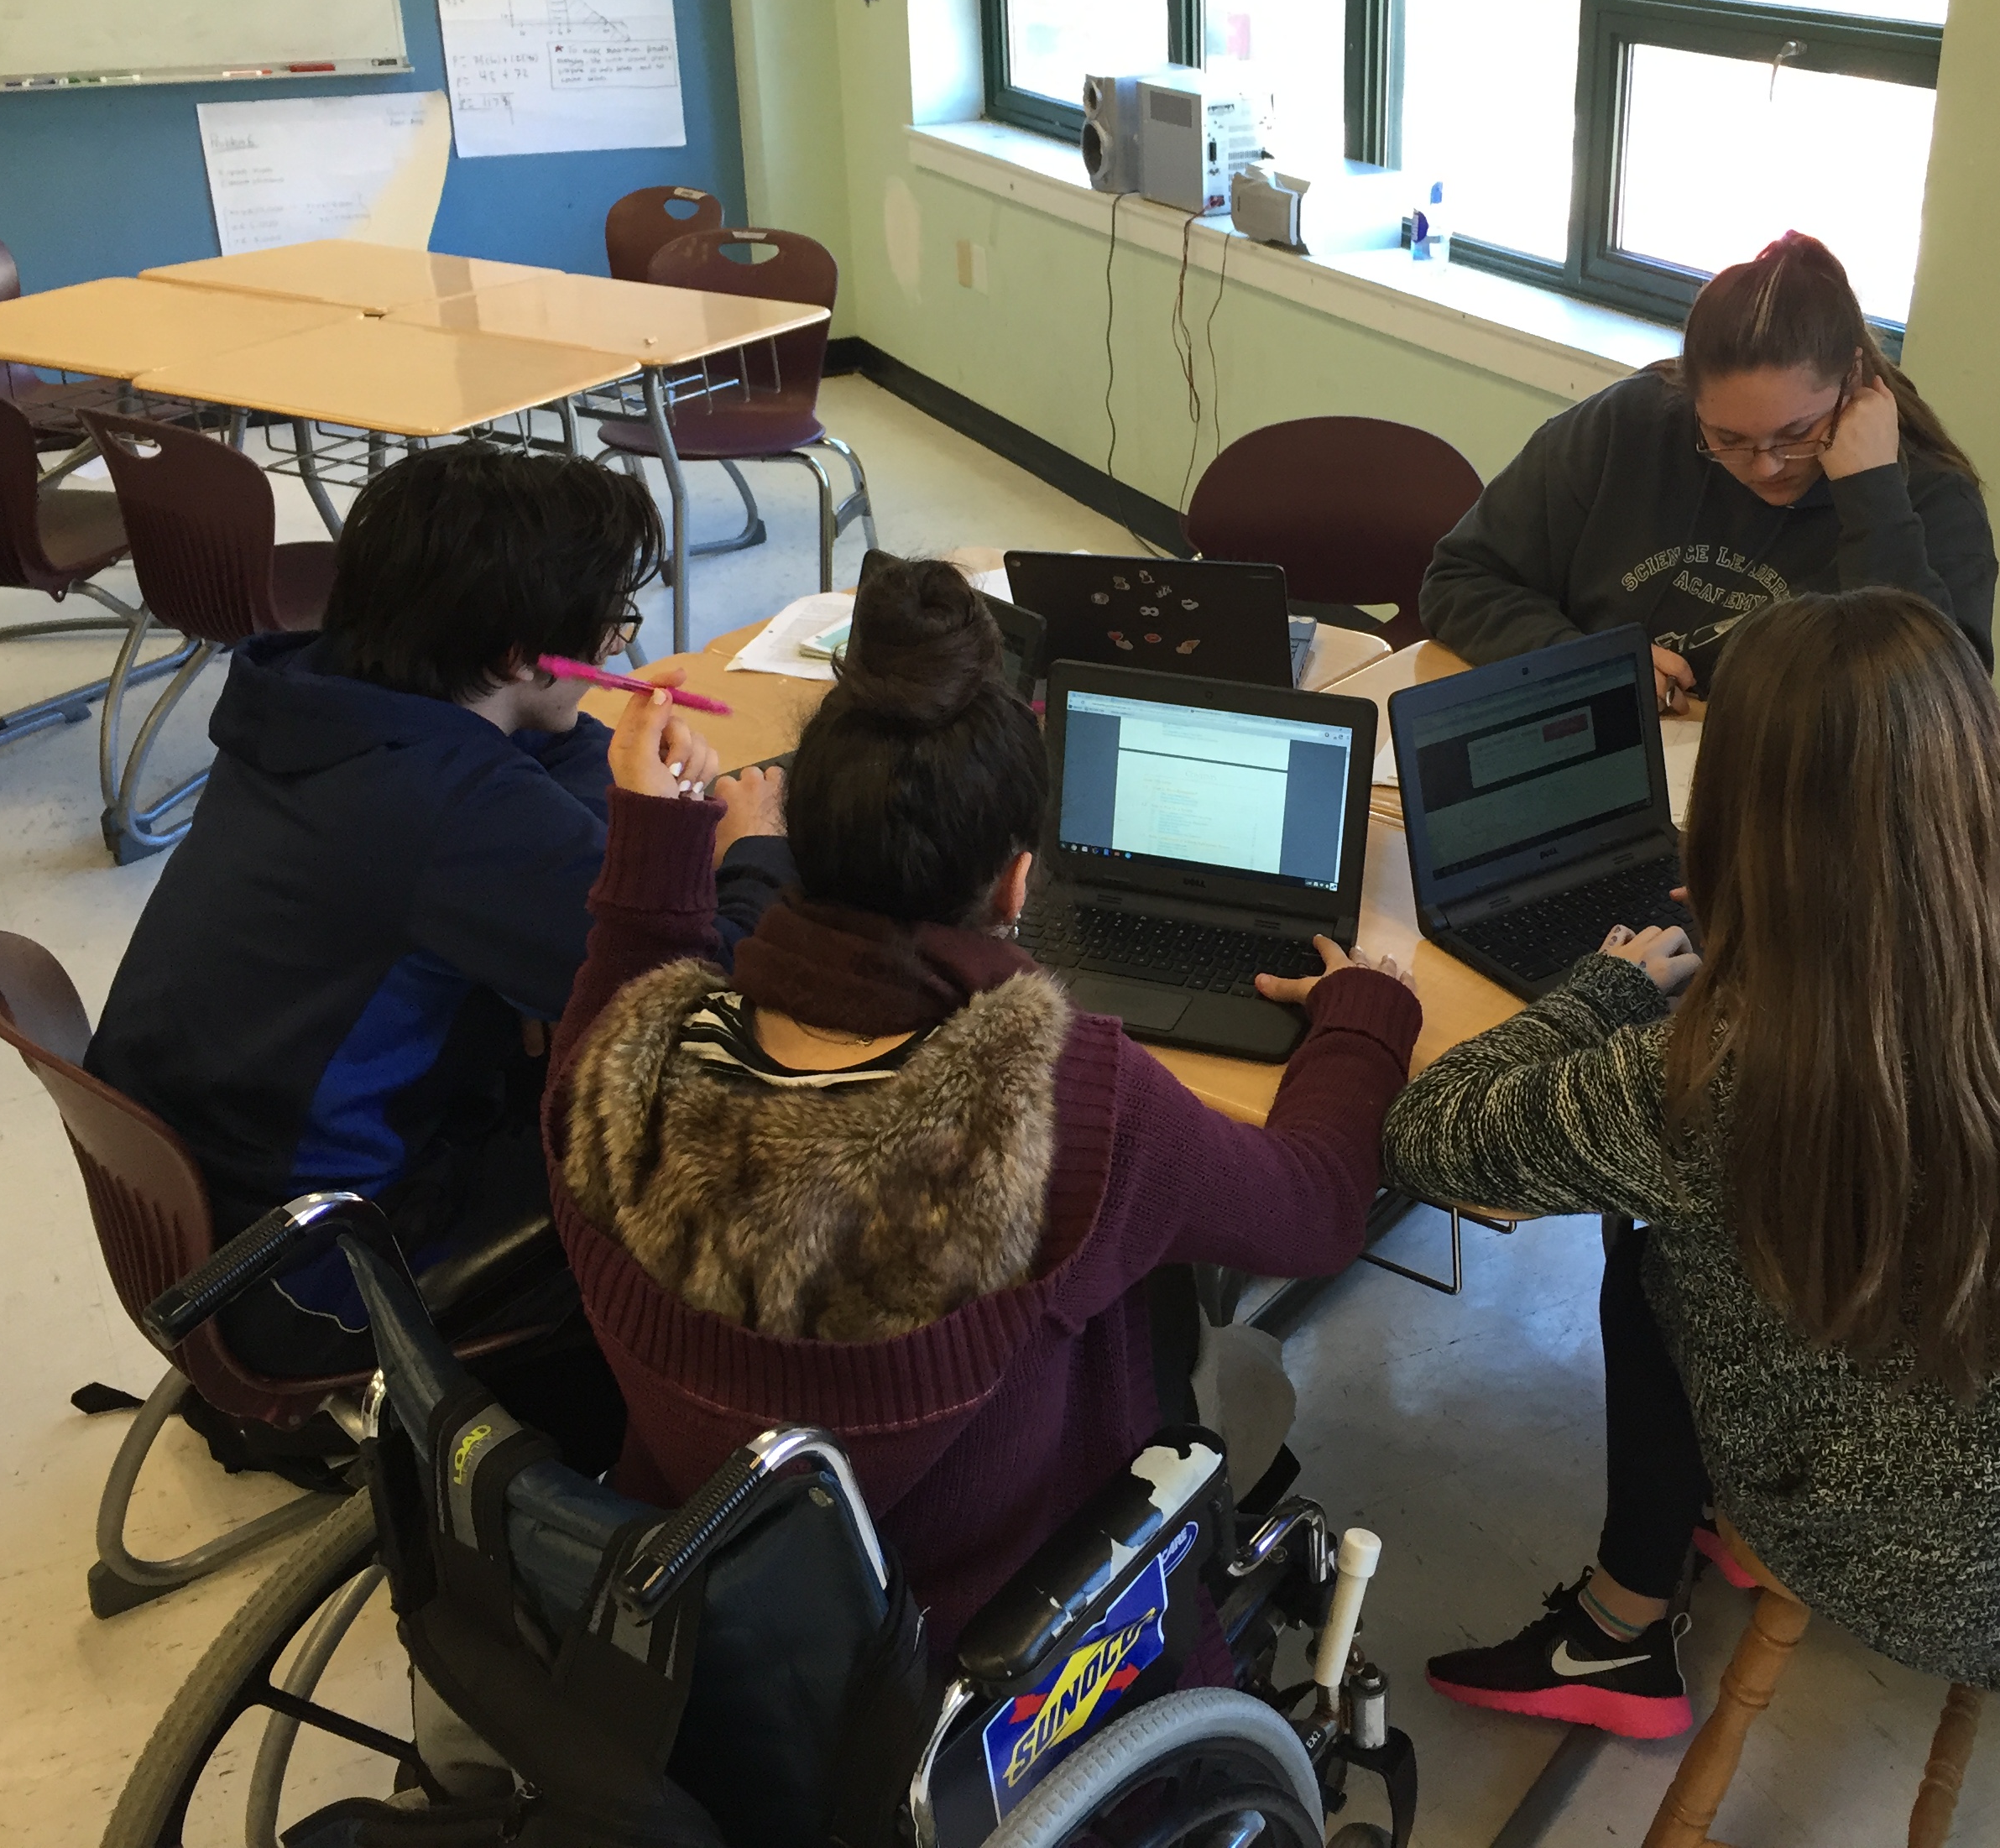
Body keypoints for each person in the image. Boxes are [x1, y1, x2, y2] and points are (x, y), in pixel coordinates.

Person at [1386, 589, 2000, 1736]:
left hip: (1961, 1583)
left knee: (1650, 1255)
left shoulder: (1744, 1072)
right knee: (1736, 1229)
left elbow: (1431, 1135)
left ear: (1740, 809)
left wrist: (1610, 987)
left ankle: (1614, 1634)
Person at [544, 554, 1423, 1656]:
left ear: (795, 842)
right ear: (1016, 882)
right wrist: (1363, 1015)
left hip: (694, 1585)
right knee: (1247, 1376)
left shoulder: (618, 1064)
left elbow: (631, 967)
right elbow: (1319, 1207)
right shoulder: (1066, 1102)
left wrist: (657, 829)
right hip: (971, 1630)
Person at [88, 443, 788, 1379]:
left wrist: (619, 778)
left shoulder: (318, 697)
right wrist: (755, 849)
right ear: (518, 656)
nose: (615, 653)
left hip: (216, 1213)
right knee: (721, 1149)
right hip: (322, 1265)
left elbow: (533, 765)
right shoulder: (446, 808)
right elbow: (707, 995)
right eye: (606, 626)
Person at [1418, 230, 1995, 710]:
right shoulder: (1628, 425)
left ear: (1854, 381)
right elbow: (1460, 580)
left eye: (1798, 434)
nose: (1766, 466)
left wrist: (1871, 495)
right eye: (1728, 439)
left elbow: (1939, 713)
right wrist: (1584, 665)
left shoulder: (1927, 497)